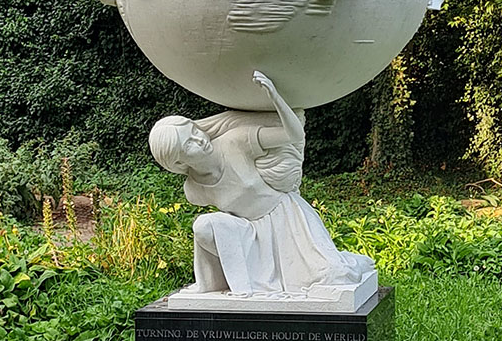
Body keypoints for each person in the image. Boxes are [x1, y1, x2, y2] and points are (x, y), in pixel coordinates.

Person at [148, 71, 374, 298]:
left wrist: (276, 97)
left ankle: (340, 261)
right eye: (189, 144)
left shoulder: (234, 142)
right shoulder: (194, 190)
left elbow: (293, 134)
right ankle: (235, 287)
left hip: (288, 219)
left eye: (195, 131)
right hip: (249, 235)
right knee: (204, 224)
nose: (200, 139)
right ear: (177, 162)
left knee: (332, 274)